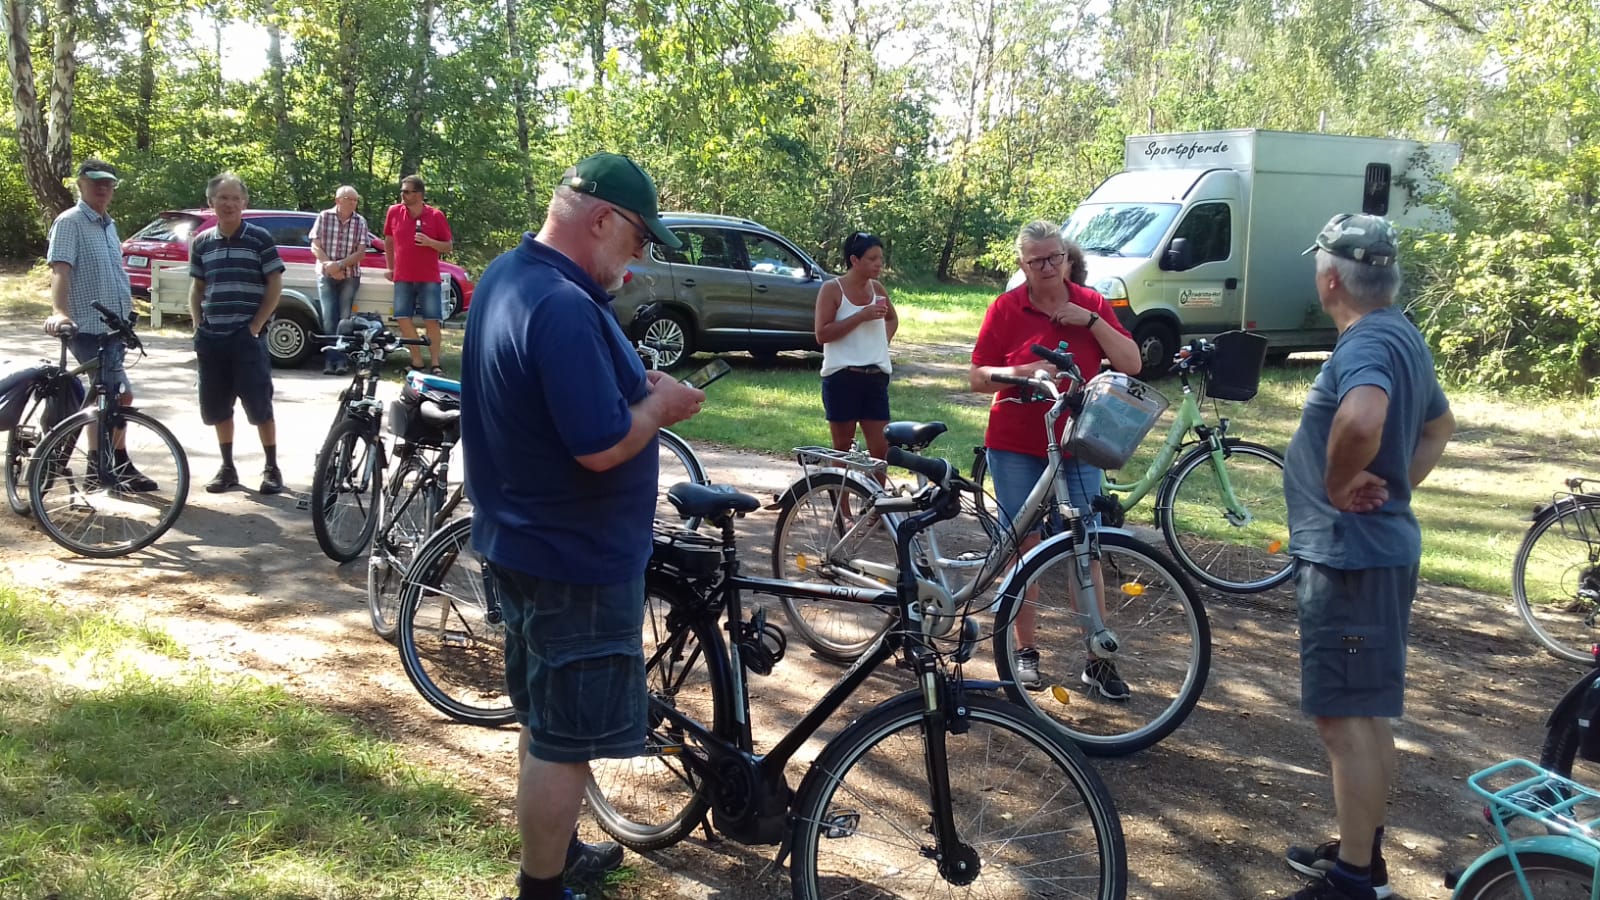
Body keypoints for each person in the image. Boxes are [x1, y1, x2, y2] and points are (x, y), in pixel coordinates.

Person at [459, 152, 705, 900]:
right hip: (574, 558)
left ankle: (555, 857)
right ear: (603, 220)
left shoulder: (508, 276)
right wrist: (658, 408)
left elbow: (569, 403)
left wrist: (637, 387)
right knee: (564, 743)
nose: (638, 256)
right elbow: (600, 446)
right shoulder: (563, 305)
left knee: (543, 719)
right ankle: (542, 887)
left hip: (522, 541)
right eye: (637, 239)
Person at [1281, 214, 1455, 900]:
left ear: (1330, 278)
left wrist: (1340, 485)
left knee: (1344, 717)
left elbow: (1361, 419)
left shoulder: (1367, 345)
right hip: (1373, 552)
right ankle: (1364, 853)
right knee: (1366, 710)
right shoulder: (1400, 332)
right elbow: (1440, 426)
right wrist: (1394, 485)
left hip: (1351, 562)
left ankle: (1356, 882)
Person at [969, 220, 1141, 696]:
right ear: (1022, 265)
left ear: (1067, 257)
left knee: (1086, 546)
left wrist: (1090, 322)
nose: (1047, 268)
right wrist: (1023, 371)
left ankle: (1098, 658)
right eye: (1036, 261)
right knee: (1023, 549)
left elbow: (1131, 363)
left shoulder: (1091, 303)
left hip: (1078, 443)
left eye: (1055, 258)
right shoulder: (1006, 307)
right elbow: (978, 378)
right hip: (1015, 443)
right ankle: (1025, 652)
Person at [42, 158, 156, 491]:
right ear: (80, 184)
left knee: (107, 397)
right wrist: (60, 312)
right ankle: (111, 465)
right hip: (86, 327)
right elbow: (60, 270)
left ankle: (102, 466)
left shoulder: (109, 224)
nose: (103, 188)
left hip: (114, 328)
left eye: (108, 183)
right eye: (96, 183)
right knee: (117, 394)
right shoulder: (71, 222)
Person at [187, 172, 286, 495]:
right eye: (222, 198)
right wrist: (198, 323)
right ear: (211, 202)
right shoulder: (202, 242)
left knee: (259, 405)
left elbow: (275, 285)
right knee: (217, 407)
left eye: (234, 198)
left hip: (247, 338)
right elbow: (197, 287)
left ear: (245, 202)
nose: (228, 204)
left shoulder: (259, 239)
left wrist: (255, 326)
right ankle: (227, 467)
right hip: (212, 338)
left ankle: (271, 468)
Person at [815, 231, 897, 465]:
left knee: (881, 450)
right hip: (843, 377)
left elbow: (892, 319)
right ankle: (841, 501)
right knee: (842, 449)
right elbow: (822, 334)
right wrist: (861, 316)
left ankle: (878, 500)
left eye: (880, 258)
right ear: (854, 260)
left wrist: (881, 343)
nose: (878, 264)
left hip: (876, 377)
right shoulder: (832, 289)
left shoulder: (878, 289)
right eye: (872, 258)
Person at [384, 174, 453, 374]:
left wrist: (430, 242)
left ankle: (435, 363)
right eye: (402, 191)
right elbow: (388, 240)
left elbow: (448, 246)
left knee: (432, 319)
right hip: (403, 276)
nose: (403, 195)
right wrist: (390, 267)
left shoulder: (435, 216)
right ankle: (416, 361)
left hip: (428, 276)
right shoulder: (394, 212)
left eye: (407, 191)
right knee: (402, 316)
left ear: (419, 194)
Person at [309, 185, 371, 375]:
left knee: (345, 320)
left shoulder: (360, 221)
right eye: (349, 199)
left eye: (355, 200)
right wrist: (330, 265)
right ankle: (330, 360)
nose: (353, 203)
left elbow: (361, 252)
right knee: (329, 318)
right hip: (326, 274)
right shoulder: (324, 217)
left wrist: (340, 265)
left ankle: (342, 361)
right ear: (338, 200)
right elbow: (315, 245)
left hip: (350, 276)